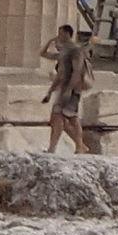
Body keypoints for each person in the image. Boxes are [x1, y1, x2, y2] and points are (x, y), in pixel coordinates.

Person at [42, 25, 97, 155]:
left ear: (67, 34)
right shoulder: (64, 53)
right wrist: (50, 92)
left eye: (60, 33)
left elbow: (77, 71)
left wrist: (69, 90)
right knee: (61, 118)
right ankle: (74, 146)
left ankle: (76, 146)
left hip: (71, 89)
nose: (58, 36)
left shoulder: (75, 50)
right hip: (63, 89)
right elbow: (44, 56)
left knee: (70, 117)